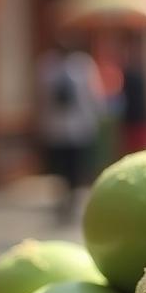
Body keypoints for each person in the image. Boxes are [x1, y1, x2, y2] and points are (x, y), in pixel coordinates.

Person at [37, 39, 105, 223]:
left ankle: (73, 200)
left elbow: (94, 94)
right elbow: (42, 97)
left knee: (77, 168)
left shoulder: (83, 66)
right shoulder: (48, 66)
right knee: (59, 168)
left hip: (80, 127)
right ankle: (61, 200)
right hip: (56, 128)